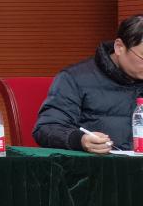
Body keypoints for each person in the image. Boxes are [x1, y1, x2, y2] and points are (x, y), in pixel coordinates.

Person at [34, 15, 143, 154]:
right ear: (119, 47)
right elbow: (46, 128)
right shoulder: (75, 79)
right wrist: (80, 140)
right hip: (98, 165)